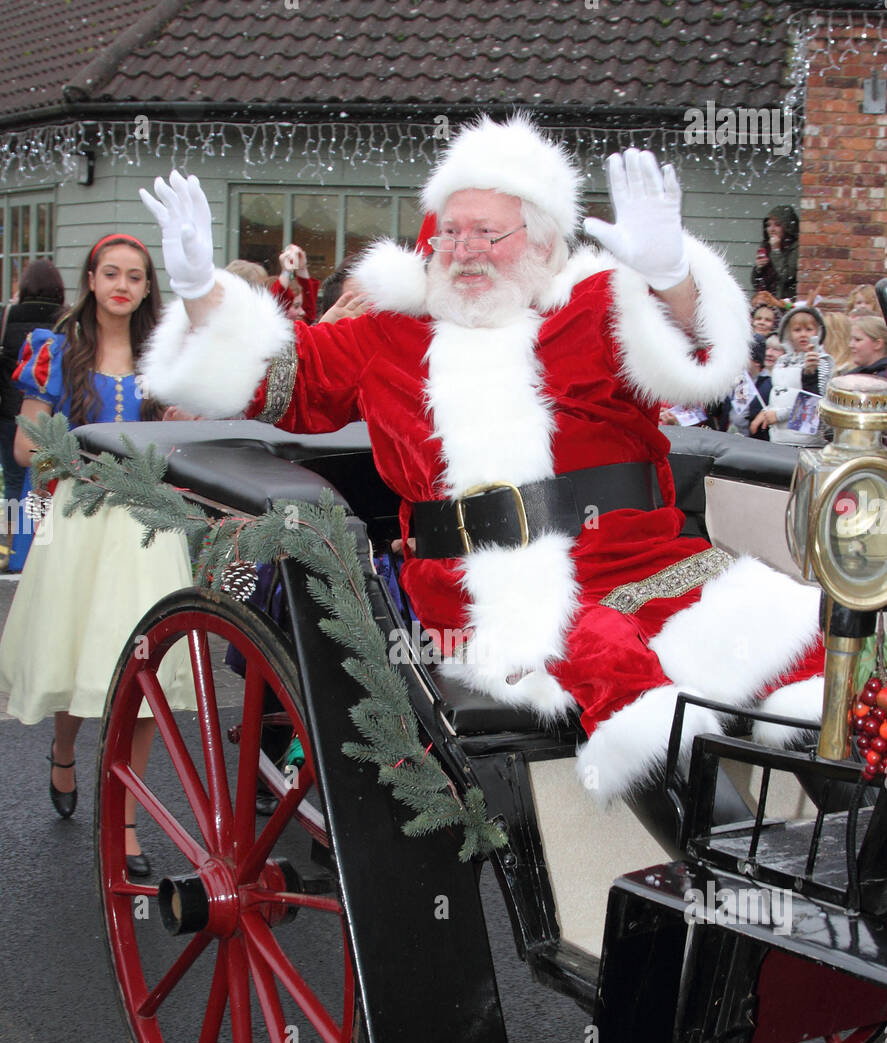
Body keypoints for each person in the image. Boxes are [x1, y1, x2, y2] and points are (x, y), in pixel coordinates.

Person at [139, 119, 824, 804]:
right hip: (484, 585)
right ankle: (723, 875)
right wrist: (203, 291)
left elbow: (696, 357)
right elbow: (275, 380)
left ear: (544, 242)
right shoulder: (387, 334)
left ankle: (850, 849)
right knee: (611, 661)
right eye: (450, 232)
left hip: (638, 555)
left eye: (488, 233)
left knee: (795, 638)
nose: (465, 250)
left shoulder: (595, 306)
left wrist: (673, 277)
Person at [0, 234, 194, 874]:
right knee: (76, 648)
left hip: (146, 523)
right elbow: (29, 449)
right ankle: (64, 751)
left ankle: (127, 820)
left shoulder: (163, 355)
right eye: (111, 273)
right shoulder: (54, 350)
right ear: (91, 278)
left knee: (145, 668)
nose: (122, 285)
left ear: (145, 288)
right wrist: (80, 457)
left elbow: (180, 435)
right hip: (80, 521)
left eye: (135, 277)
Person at [0, 259, 66, 571]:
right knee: (38, 477)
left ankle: (10, 545)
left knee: (15, 480)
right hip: (48, 413)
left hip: (8, 407)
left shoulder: (9, 314)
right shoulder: (63, 322)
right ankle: (34, 545)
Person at [751, 305, 834, 444]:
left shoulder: (822, 361)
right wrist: (765, 412)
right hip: (778, 437)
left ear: (818, 332)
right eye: (797, 330)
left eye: (809, 329)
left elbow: (816, 403)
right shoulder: (782, 360)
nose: (803, 334)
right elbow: (777, 395)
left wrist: (779, 415)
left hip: (805, 440)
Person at [751, 206, 799, 301]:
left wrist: (776, 251)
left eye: (777, 225)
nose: (771, 229)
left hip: (784, 303)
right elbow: (756, 282)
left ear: (787, 227)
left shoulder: (795, 247)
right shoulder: (765, 246)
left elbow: (787, 276)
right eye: (768, 225)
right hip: (764, 302)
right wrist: (758, 269)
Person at [847, 315, 887, 379]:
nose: (851, 345)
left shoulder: (882, 379)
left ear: (878, 344)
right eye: (851, 339)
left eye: (857, 340)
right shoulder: (857, 373)